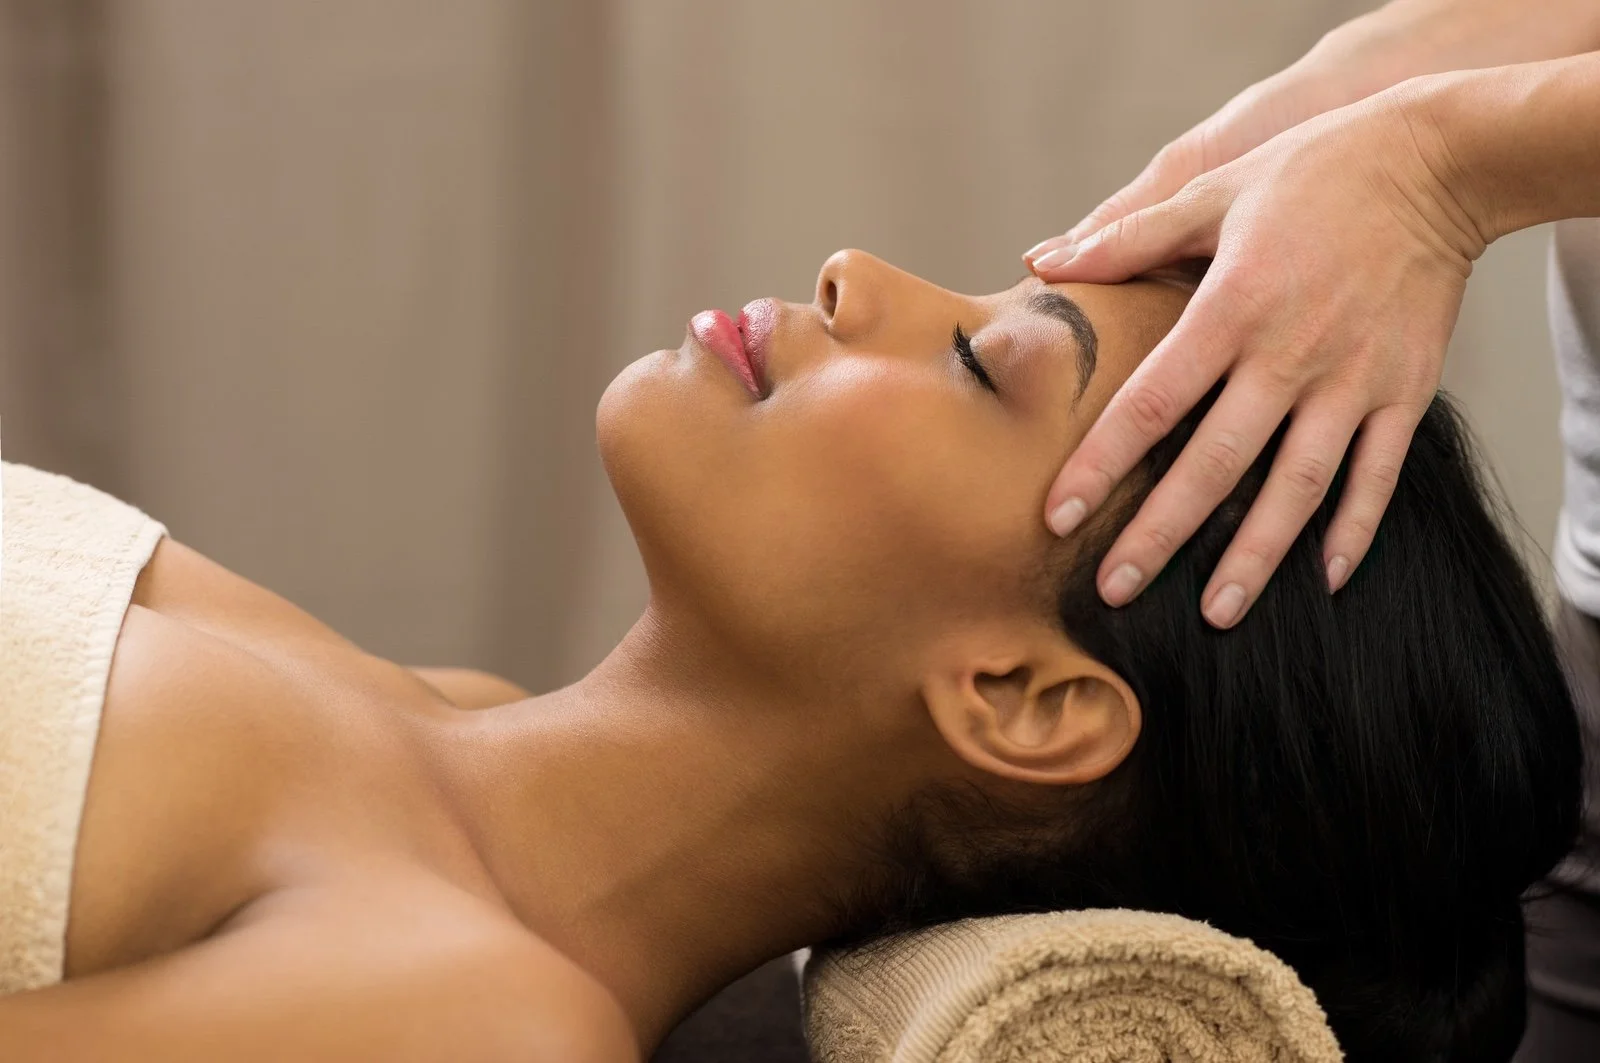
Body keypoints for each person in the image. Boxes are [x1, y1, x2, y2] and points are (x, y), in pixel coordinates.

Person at [0, 250, 1581, 1063]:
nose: (857, 275)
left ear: (1023, 700)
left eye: (982, 362)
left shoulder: (474, 1014)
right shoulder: (440, 727)